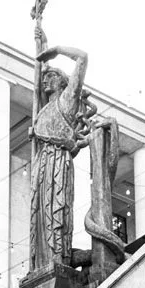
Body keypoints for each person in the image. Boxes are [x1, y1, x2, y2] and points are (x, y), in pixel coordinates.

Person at [30, 44, 88, 271]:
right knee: (40, 214)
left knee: (56, 209)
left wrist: (57, 50)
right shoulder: (44, 110)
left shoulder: (67, 101)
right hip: (43, 163)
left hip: (57, 161)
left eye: (51, 75)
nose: (45, 79)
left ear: (63, 82)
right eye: (45, 76)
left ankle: (58, 258)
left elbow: (82, 57)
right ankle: (42, 264)